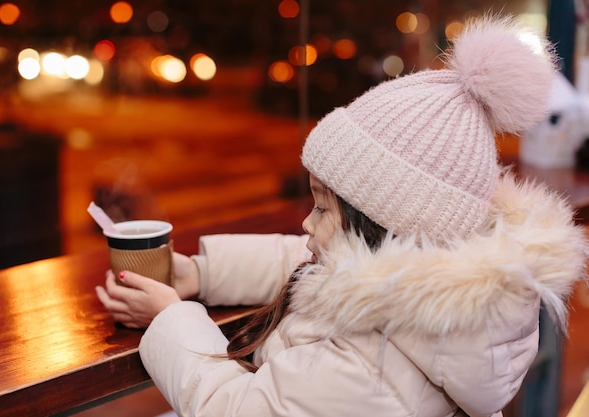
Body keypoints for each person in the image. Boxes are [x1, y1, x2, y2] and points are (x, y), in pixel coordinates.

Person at [96, 15, 589, 417]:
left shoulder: (368, 367)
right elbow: (308, 263)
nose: (307, 225)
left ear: (383, 229)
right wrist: (199, 273)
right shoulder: (432, 287)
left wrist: (169, 319)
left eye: (325, 208)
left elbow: (233, 407)